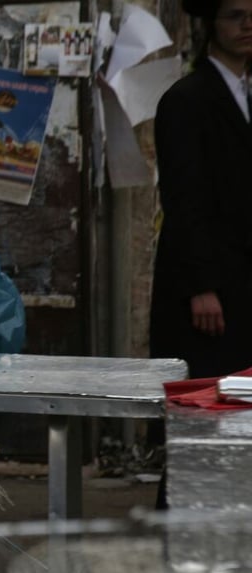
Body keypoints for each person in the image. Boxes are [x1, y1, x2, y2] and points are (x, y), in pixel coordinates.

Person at [148, 0, 252, 508]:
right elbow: (183, 199)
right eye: (235, 14)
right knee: (203, 421)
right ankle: (182, 548)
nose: (247, 24)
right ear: (210, 24)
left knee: (241, 424)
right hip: (207, 295)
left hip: (245, 287)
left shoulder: (246, 93)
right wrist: (202, 285)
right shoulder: (187, 99)